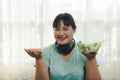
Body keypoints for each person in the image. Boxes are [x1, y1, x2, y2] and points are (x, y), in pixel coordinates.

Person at [24, 13, 102, 80]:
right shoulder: (45, 52)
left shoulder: (84, 51)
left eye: (65, 29)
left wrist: (91, 59)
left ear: (74, 30)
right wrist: (39, 58)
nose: (61, 33)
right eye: (57, 29)